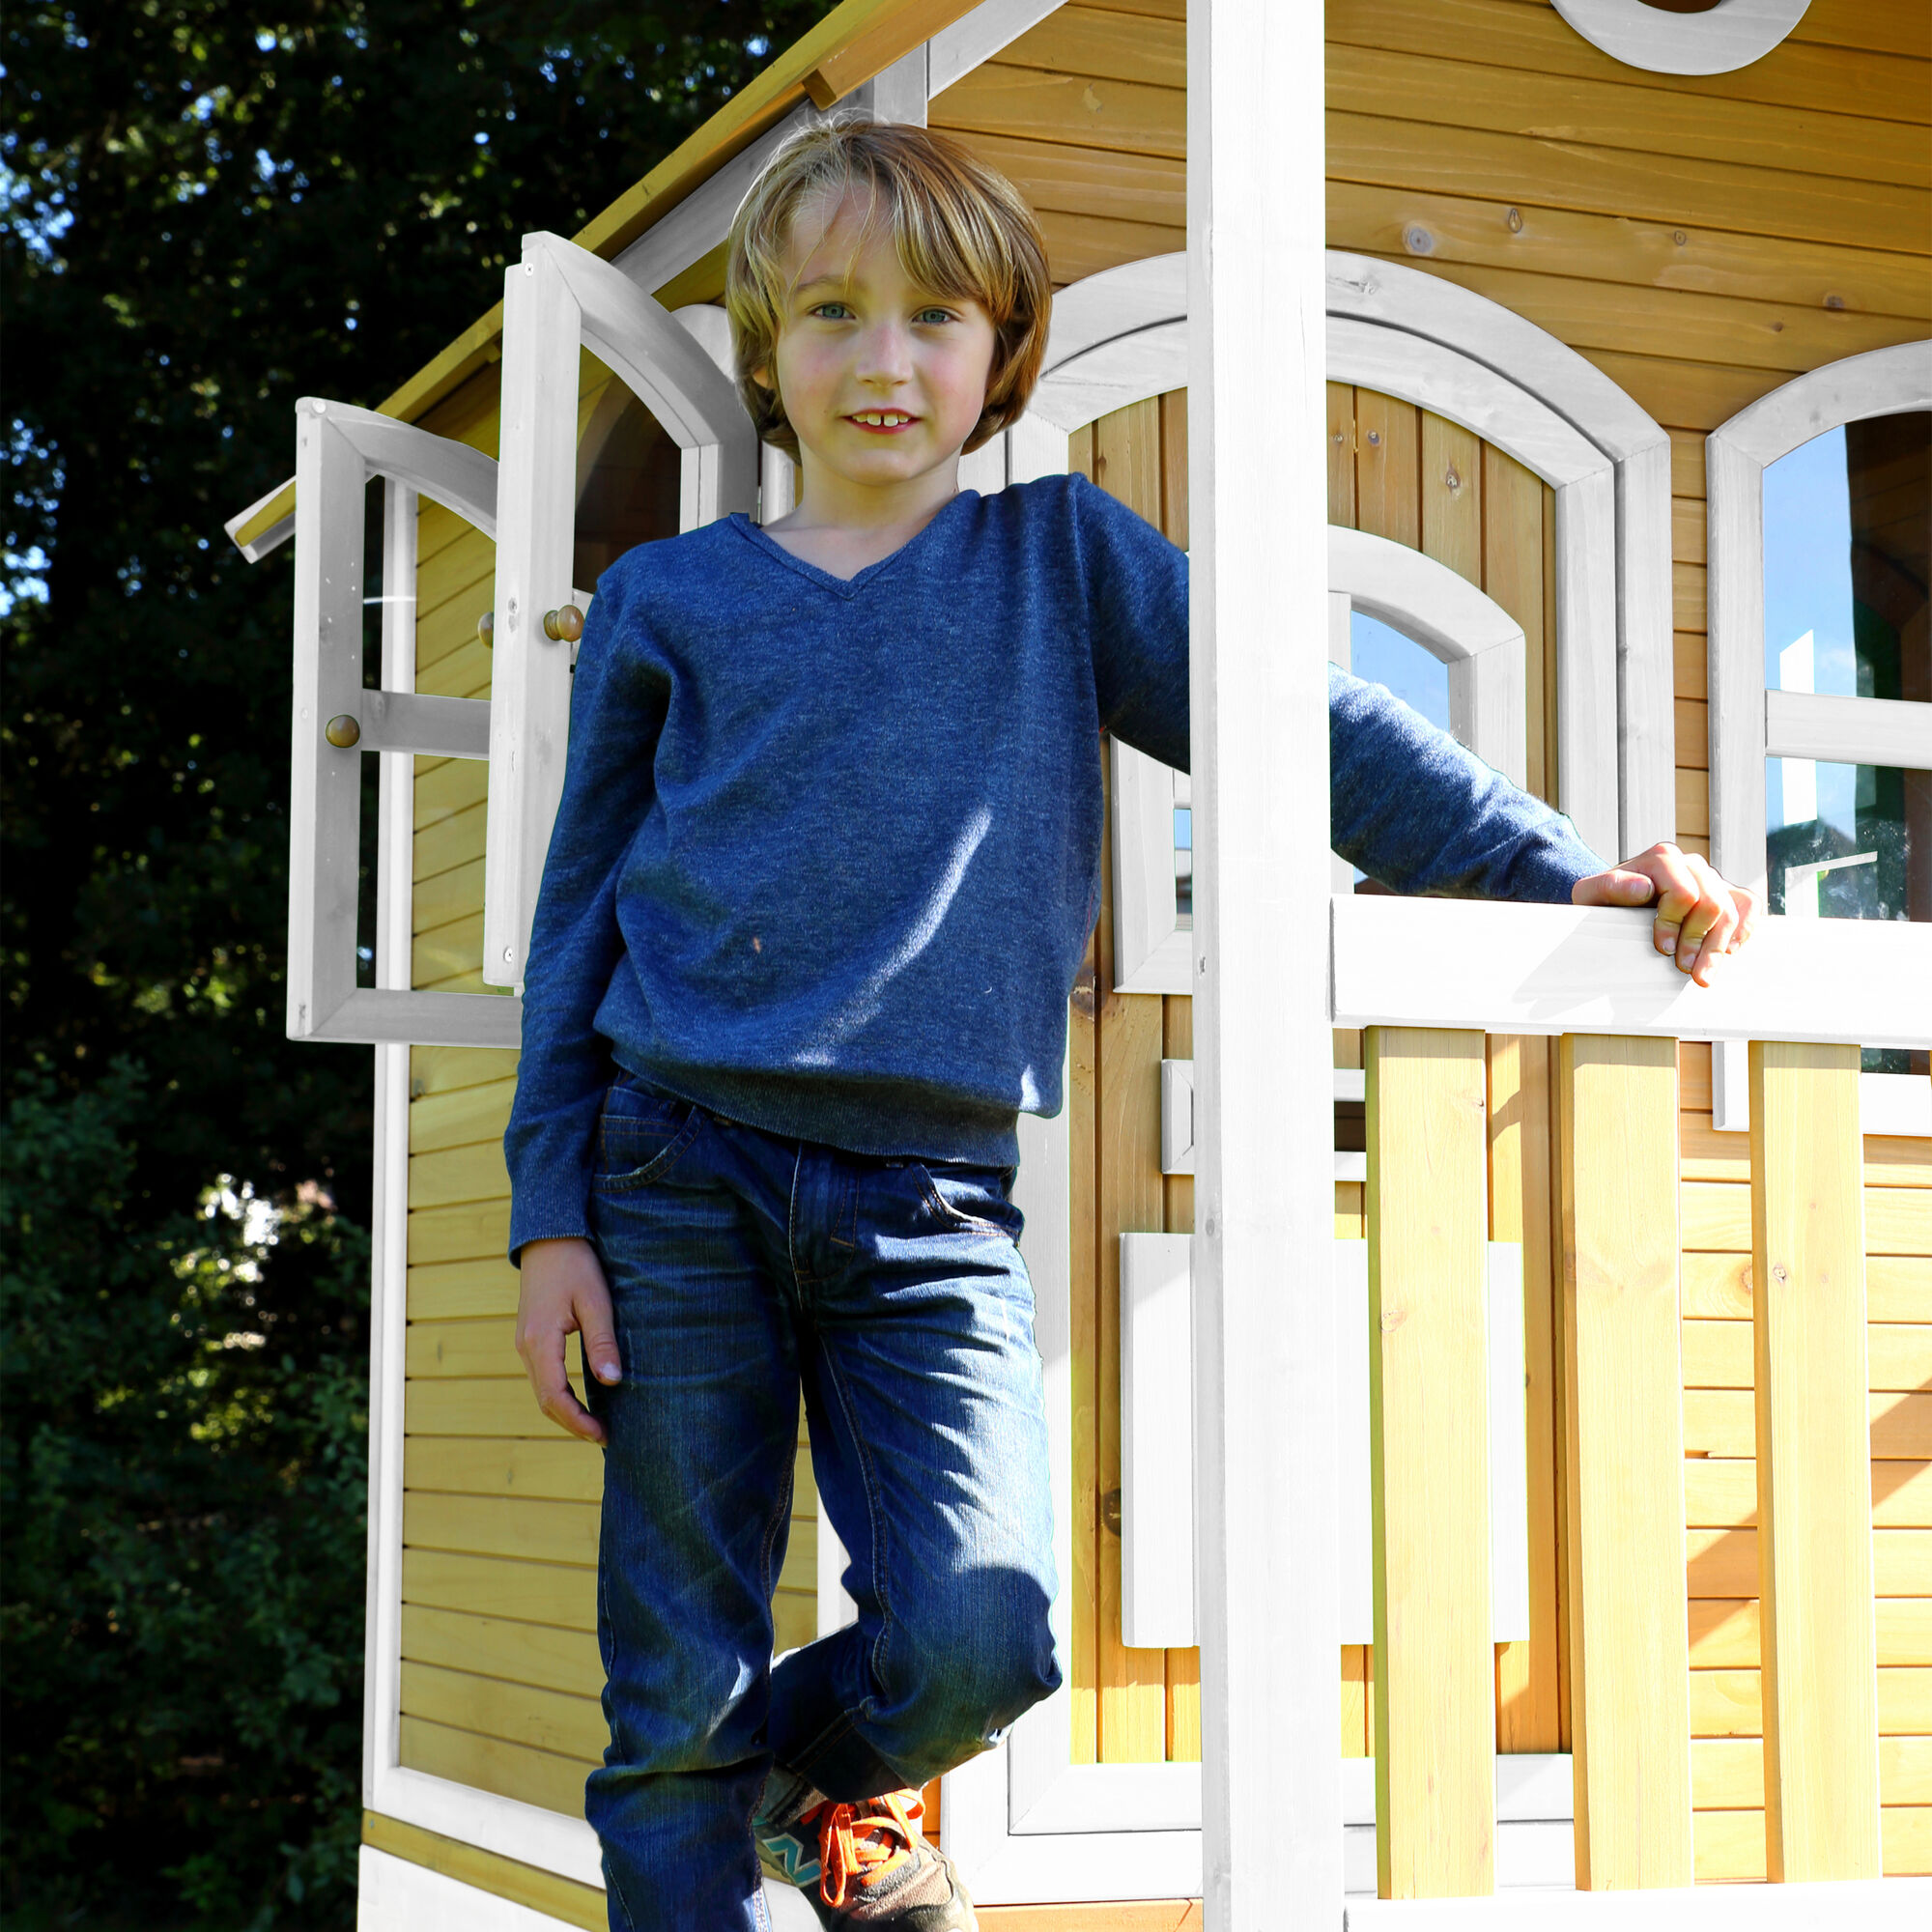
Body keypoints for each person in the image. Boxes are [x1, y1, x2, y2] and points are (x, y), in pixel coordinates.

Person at [504, 122, 1756, 1932]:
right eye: (835, 314)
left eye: (935, 315)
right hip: (669, 1167)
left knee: (982, 1634)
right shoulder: (668, 604)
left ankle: (803, 1781)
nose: (884, 359)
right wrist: (553, 1215)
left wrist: (1554, 878)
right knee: (670, 1674)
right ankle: (708, 1791)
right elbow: (576, 930)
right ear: (768, 346)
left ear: (1000, 353)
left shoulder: (1061, 560)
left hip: (928, 1202)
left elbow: (1308, 728)